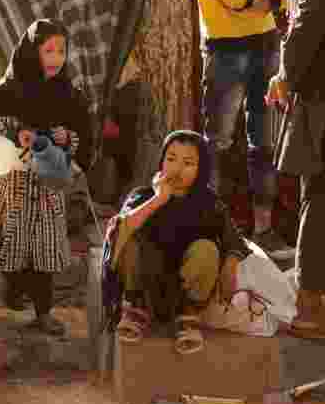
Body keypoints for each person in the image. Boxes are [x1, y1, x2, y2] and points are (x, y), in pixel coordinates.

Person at [191, 0, 292, 259]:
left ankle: (264, 229)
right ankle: (208, 232)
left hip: (265, 41)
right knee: (217, 141)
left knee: (263, 139)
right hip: (225, 47)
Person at [0, 19, 93, 336]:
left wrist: (65, 138)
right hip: (12, 181)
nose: (56, 58)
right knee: (13, 241)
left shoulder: (68, 94)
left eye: (61, 51)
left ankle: (44, 312)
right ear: (31, 52)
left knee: (45, 248)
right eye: (48, 50)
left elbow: (80, 134)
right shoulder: (6, 92)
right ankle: (11, 289)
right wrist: (17, 133)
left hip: (47, 183)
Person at [102, 131, 250, 355]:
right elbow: (118, 233)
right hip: (144, 288)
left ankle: (187, 318)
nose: (177, 168)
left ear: (201, 170)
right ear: (161, 161)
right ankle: (135, 309)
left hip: (185, 296)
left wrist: (230, 263)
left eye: (188, 163)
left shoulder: (209, 203)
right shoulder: (142, 196)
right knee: (127, 233)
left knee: (207, 249)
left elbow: (234, 240)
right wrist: (158, 199)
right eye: (171, 159)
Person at [267, 0, 325, 338]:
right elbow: (312, 12)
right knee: (322, 194)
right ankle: (310, 306)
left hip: (315, 82)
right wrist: (288, 73)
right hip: (322, 84)